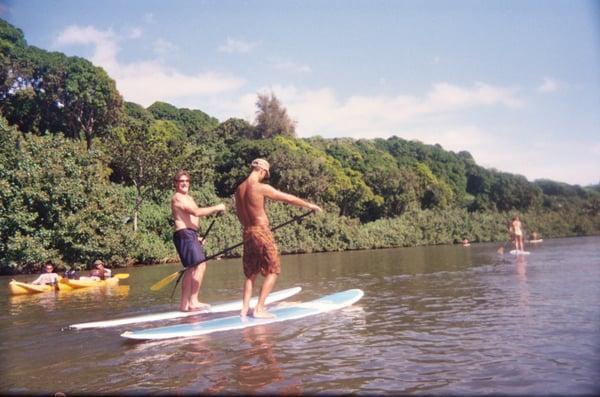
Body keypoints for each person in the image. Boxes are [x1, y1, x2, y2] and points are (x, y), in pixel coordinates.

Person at [235, 158, 322, 319]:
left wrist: (252, 229)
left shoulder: (239, 189)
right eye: (265, 175)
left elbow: (240, 215)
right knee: (274, 270)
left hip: (247, 232)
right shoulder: (260, 187)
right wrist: (309, 205)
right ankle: (259, 309)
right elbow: (287, 198)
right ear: (262, 171)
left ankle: (244, 309)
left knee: (251, 273)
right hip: (261, 231)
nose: (264, 177)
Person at [171, 170, 227, 312]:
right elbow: (196, 212)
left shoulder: (188, 197)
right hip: (185, 235)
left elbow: (191, 219)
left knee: (191, 268)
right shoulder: (178, 198)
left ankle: (185, 305)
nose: (184, 183)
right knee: (199, 265)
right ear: (176, 184)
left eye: (186, 181)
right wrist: (217, 207)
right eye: (181, 181)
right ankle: (193, 301)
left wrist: (197, 237)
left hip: (190, 235)